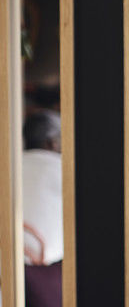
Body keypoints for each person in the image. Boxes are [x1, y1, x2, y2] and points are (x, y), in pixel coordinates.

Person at [21, 109, 63, 265]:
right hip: (50, 263)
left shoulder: (9, 168)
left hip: (7, 258)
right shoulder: (64, 169)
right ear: (52, 142)